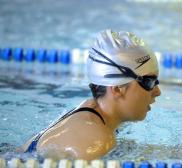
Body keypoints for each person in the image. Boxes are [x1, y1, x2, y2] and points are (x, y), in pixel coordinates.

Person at [22, 29, 161, 160]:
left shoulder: (93, 111)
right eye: (149, 82)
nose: (157, 91)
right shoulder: (95, 142)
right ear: (118, 89)